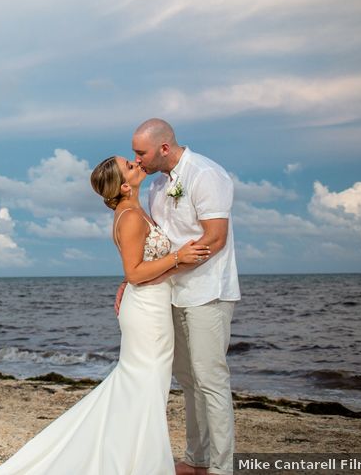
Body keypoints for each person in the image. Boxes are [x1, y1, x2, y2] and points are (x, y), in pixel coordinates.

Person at [0, 155, 209, 475]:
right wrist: (178, 257)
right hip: (146, 310)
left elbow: (137, 267)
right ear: (124, 184)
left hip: (151, 304)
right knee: (144, 383)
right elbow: (133, 272)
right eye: (129, 165)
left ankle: (133, 457)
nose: (135, 163)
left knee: (142, 385)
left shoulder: (133, 210)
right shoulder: (129, 216)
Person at [129, 118, 241, 475]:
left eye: (140, 152)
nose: (137, 159)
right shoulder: (157, 186)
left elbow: (215, 238)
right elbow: (160, 243)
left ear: (164, 147)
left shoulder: (206, 174)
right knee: (188, 379)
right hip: (172, 294)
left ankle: (222, 468)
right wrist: (136, 277)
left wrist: (168, 268)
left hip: (208, 291)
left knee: (211, 379)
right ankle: (196, 458)